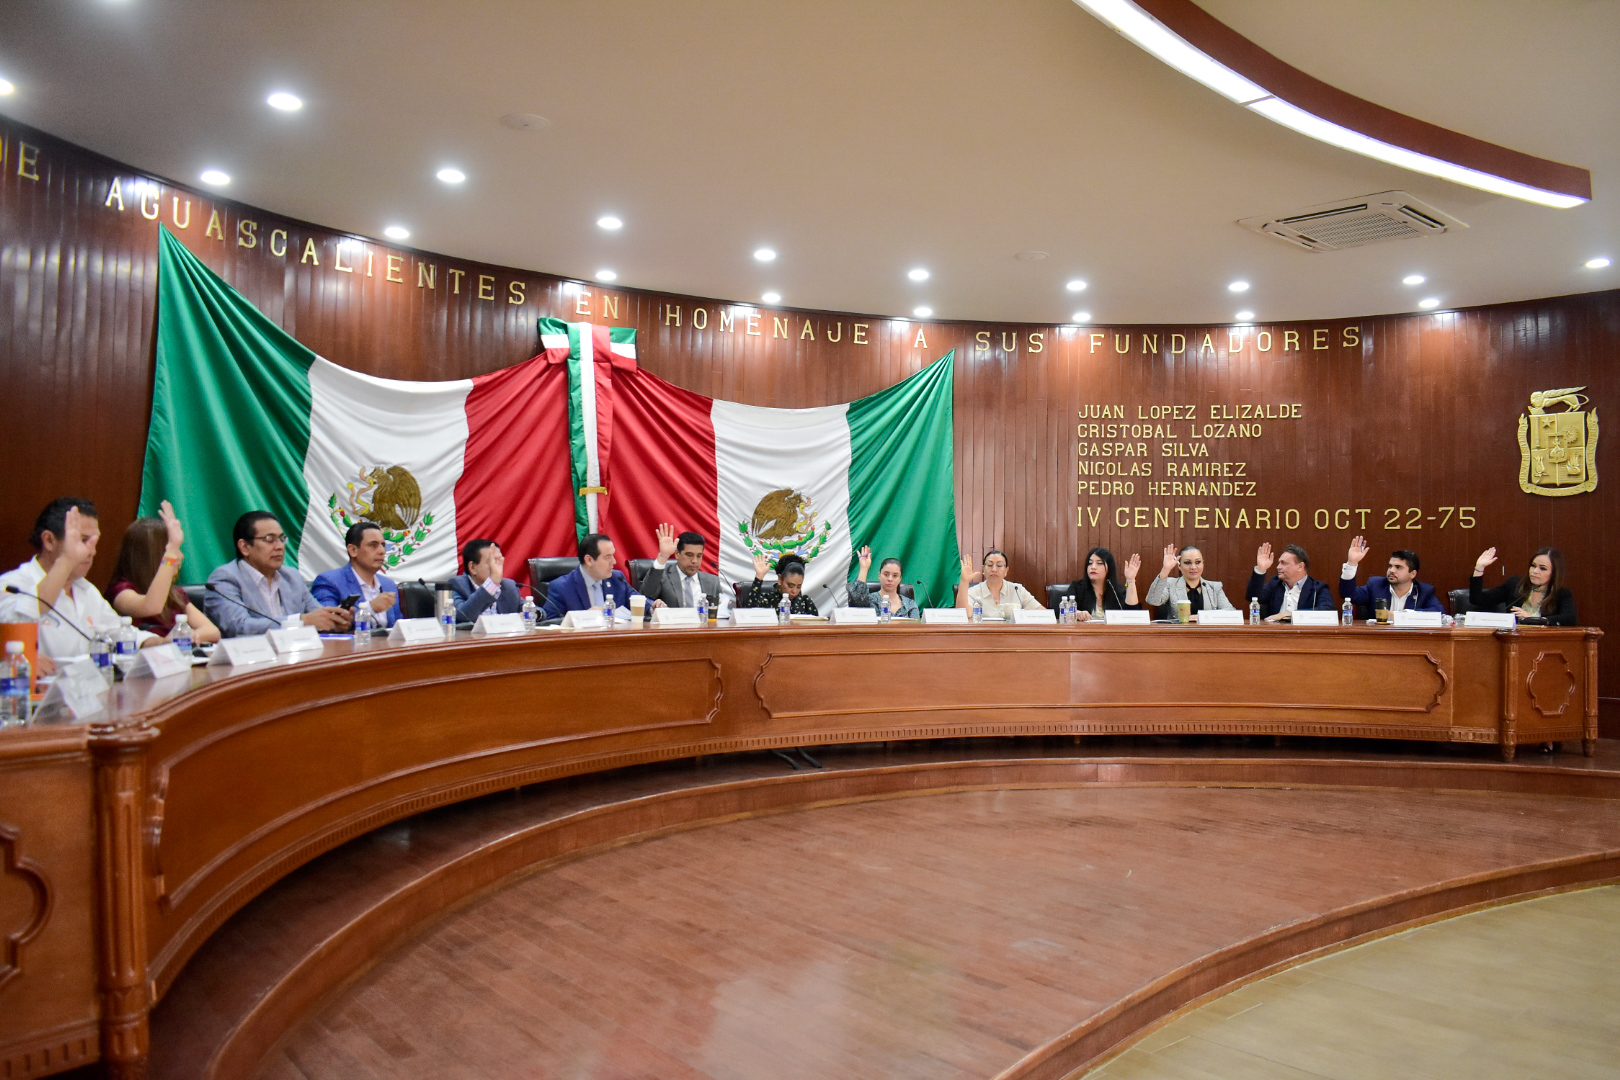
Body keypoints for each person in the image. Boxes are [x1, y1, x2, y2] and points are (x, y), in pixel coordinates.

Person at [0, 498, 160, 665]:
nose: (91, 551)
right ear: (49, 540)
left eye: (93, 542)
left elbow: (117, 631)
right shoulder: (12, 585)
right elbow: (17, 621)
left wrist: (157, 642)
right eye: (82, 540)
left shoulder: (87, 590)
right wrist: (66, 560)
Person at [205, 511, 350, 636]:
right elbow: (239, 627)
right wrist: (300, 622)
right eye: (270, 540)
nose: (280, 546)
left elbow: (316, 615)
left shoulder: (291, 577)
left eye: (282, 539)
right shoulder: (226, 578)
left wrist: (335, 620)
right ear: (245, 547)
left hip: (295, 653)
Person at [106, 500, 221, 643]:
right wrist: (171, 552)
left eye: (177, 550)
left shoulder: (175, 595)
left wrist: (191, 636)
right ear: (149, 557)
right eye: (172, 551)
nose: (180, 556)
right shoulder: (121, 591)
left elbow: (213, 631)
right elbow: (152, 606)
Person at [311, 521, 402, 628]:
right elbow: (327, 622)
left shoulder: (389, 585)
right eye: (373, 545)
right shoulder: (330, 581)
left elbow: (399, 627)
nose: (382, 551)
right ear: (353, 550)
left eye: (383, 545)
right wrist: (370, 608)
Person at [1340, 538, 1444, 619]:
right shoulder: (1376, 585)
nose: (1392, 570)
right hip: (1379, 638)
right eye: (1390, 566)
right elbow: (1348, 594)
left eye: (1398, 567)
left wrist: (1400, 616)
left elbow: (1439, 613)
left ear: (1413, 574)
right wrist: (1352, 563)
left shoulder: (1424, 591)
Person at [1470, 546, 1577, 625]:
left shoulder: (1561, 594)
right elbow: (1477, 599)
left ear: (1554, 573)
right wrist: (1479, 567)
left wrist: (1533, 620)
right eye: (1533, 566)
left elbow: (1569, 619)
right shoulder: (1514, 585)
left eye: (1542, 568)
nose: (1535, 571)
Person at [542, 533, 635, 619]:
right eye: (607, 557)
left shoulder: (618, 579)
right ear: (589, 560)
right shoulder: (561, 587)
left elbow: (639, 602)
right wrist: (585, 617)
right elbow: (550, 622)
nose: (614, 562)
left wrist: (646, 606)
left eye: (613, 555)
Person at [638, 523, 722, 610]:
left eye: (699, 556)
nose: (695, 561)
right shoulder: (663, 577)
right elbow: (645, 596)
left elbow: (720, 610)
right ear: (677, 554)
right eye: (689, 555)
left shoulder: (712, 581)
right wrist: (663, 556)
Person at [1246, 542, 1334, 622]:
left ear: (1300, 567)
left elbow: (1327, 611)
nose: (1278, 567)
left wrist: (1287, 615)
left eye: (1283, 563)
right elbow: (1253, 597)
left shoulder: (1318, 588)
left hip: (1303, 633)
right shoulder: (1275, 583)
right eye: (1279, 563)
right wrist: (1261, 569)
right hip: (1275, 632)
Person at [1144, 543, 1235, 618]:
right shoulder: (1170, 584)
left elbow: (1231, 613)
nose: (1193, 567)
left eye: (1198, 562)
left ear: (1203, 564)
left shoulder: (1214, 587)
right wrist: (1165, 569)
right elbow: (1153, 600)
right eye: (1188, 563)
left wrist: (1202, 617)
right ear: (1179, 566)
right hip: (1178, 634)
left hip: (1207, 634)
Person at [449, 538, 526, 623]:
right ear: (472, 567)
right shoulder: (456, 585)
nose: (497, 567)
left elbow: (530, 610)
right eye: (491, 562)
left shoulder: (509, 586)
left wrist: (530, 615)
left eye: (499, 561)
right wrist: (492, 584)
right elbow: (463, 616)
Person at [957, 550, 1045, 616]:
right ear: (983, 569)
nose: (994, 569)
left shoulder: (1017, 590)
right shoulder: (974, 591)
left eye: (999, 565)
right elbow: (965, 614)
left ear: (1006, 570)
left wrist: (1029, 614)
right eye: (990, 565)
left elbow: (1043, 613)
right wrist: (964, 581)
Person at [1067, 547, 1142, 620]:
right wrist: (1077, 613)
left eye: (1099, 563)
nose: (1093, 567)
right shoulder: (1077, 588)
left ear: (1109, 567)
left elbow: (1133, 614)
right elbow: (1065, 610)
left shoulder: (1117, 591)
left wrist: (1130, 579)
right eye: (1090, 563)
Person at [849, 546, 920, 618]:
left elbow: (917, 625)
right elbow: (857, 602)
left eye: (895, 576)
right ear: (879, 575)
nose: (890, 579)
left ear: (900, 579)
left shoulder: (910, 605)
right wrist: (864, 568)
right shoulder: (870, 600)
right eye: (886, 574)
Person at [741, 554, 820, 615]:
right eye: (790, 585)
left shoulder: (805, 602)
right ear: (780, 579)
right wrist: (759, 577)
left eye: (799, 586)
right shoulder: (768, 600)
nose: (794, 591)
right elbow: (749, 613)